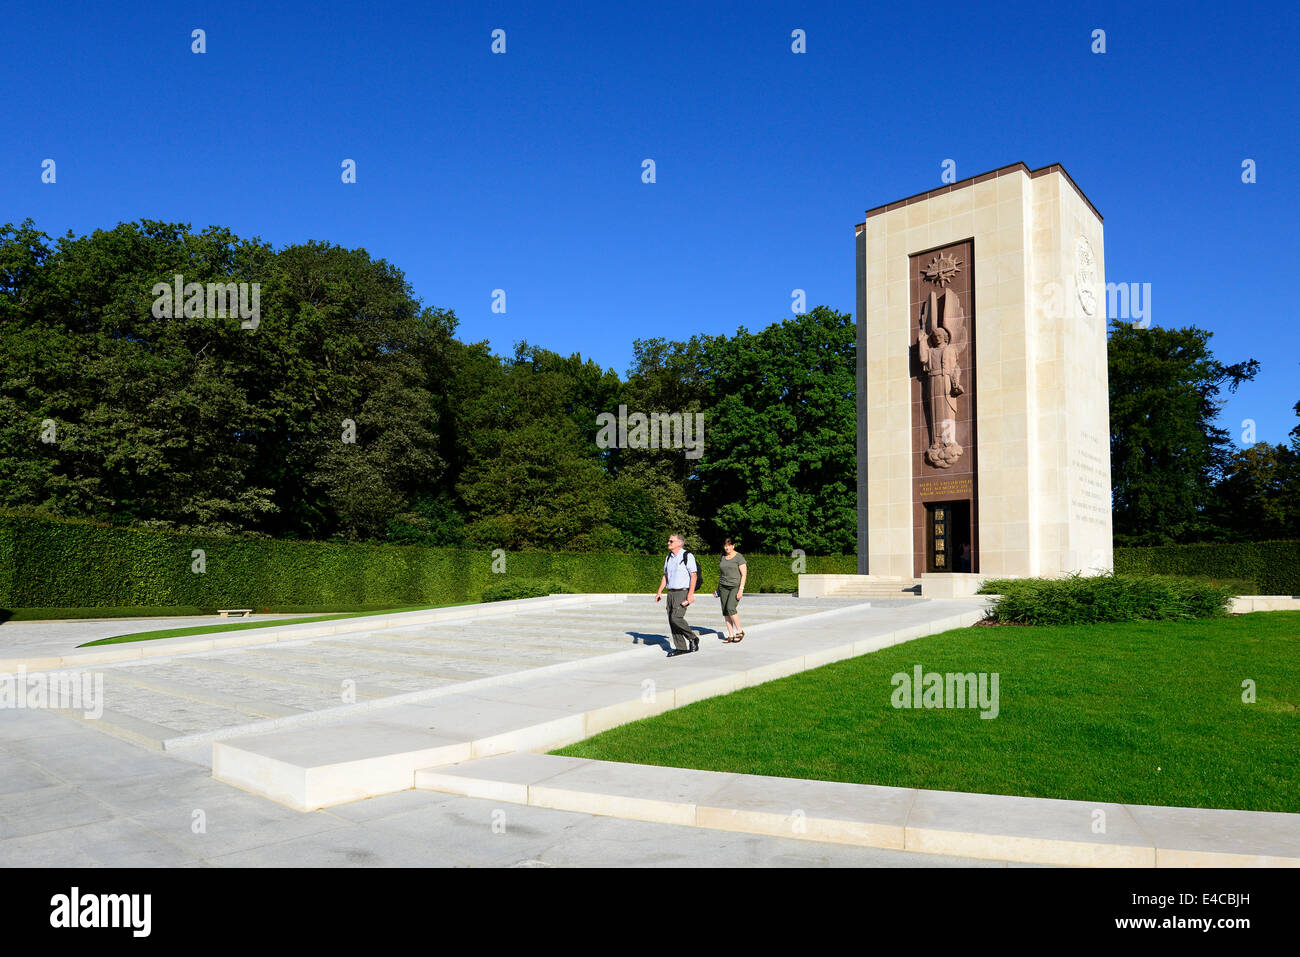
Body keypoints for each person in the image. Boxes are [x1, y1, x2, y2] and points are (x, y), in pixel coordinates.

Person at [654, 533, 698, 656]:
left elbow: (693, 576)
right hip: (671, 593)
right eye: (669, 541)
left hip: (682, 592)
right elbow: (665, 576)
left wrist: (691, 594)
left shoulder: (687, 556)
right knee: (671, 620)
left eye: (671, 541)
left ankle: (692, 637)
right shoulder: (669, 557)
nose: (668, 543)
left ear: (679, 543)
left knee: (676, 618)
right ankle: (681, 647)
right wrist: (659, 591)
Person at [715, 537, 747, 642]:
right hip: (723, 586)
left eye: (729, 545)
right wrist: (717, 589)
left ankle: (740, 631)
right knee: (725, 611)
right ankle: (731, 635)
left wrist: (741, 589)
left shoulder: (739, 557)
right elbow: (722, 574)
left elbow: (744, 574)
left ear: (733, 545)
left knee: (731, 608)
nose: (727, 547)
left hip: (735, 586)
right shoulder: (723, 557)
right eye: (725, 545)